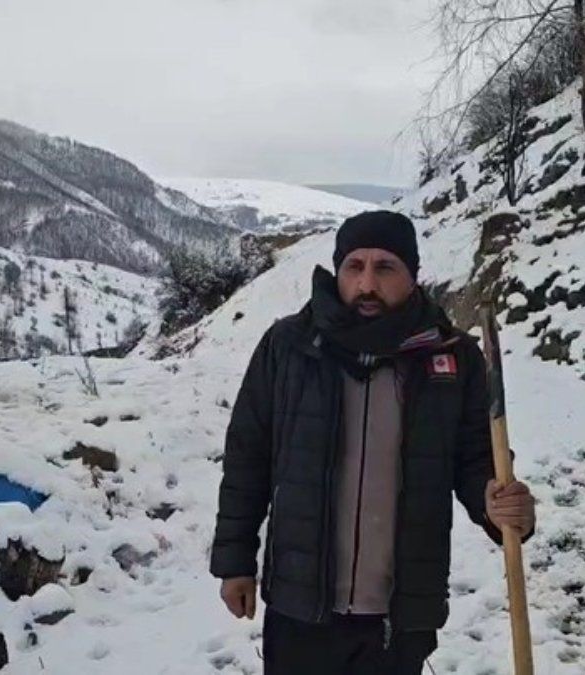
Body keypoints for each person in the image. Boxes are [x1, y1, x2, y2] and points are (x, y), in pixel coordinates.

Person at [210, 210, 536, 674]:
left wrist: (495, 502)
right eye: (354, 266)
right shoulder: (289, 347)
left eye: (385, 267)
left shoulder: (451, 357)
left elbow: (477, 459)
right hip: (299, 605)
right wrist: (235, 561)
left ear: (412, 275)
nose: (366, 284)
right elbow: (248, 456)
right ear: (337, 271)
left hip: (399, 612)